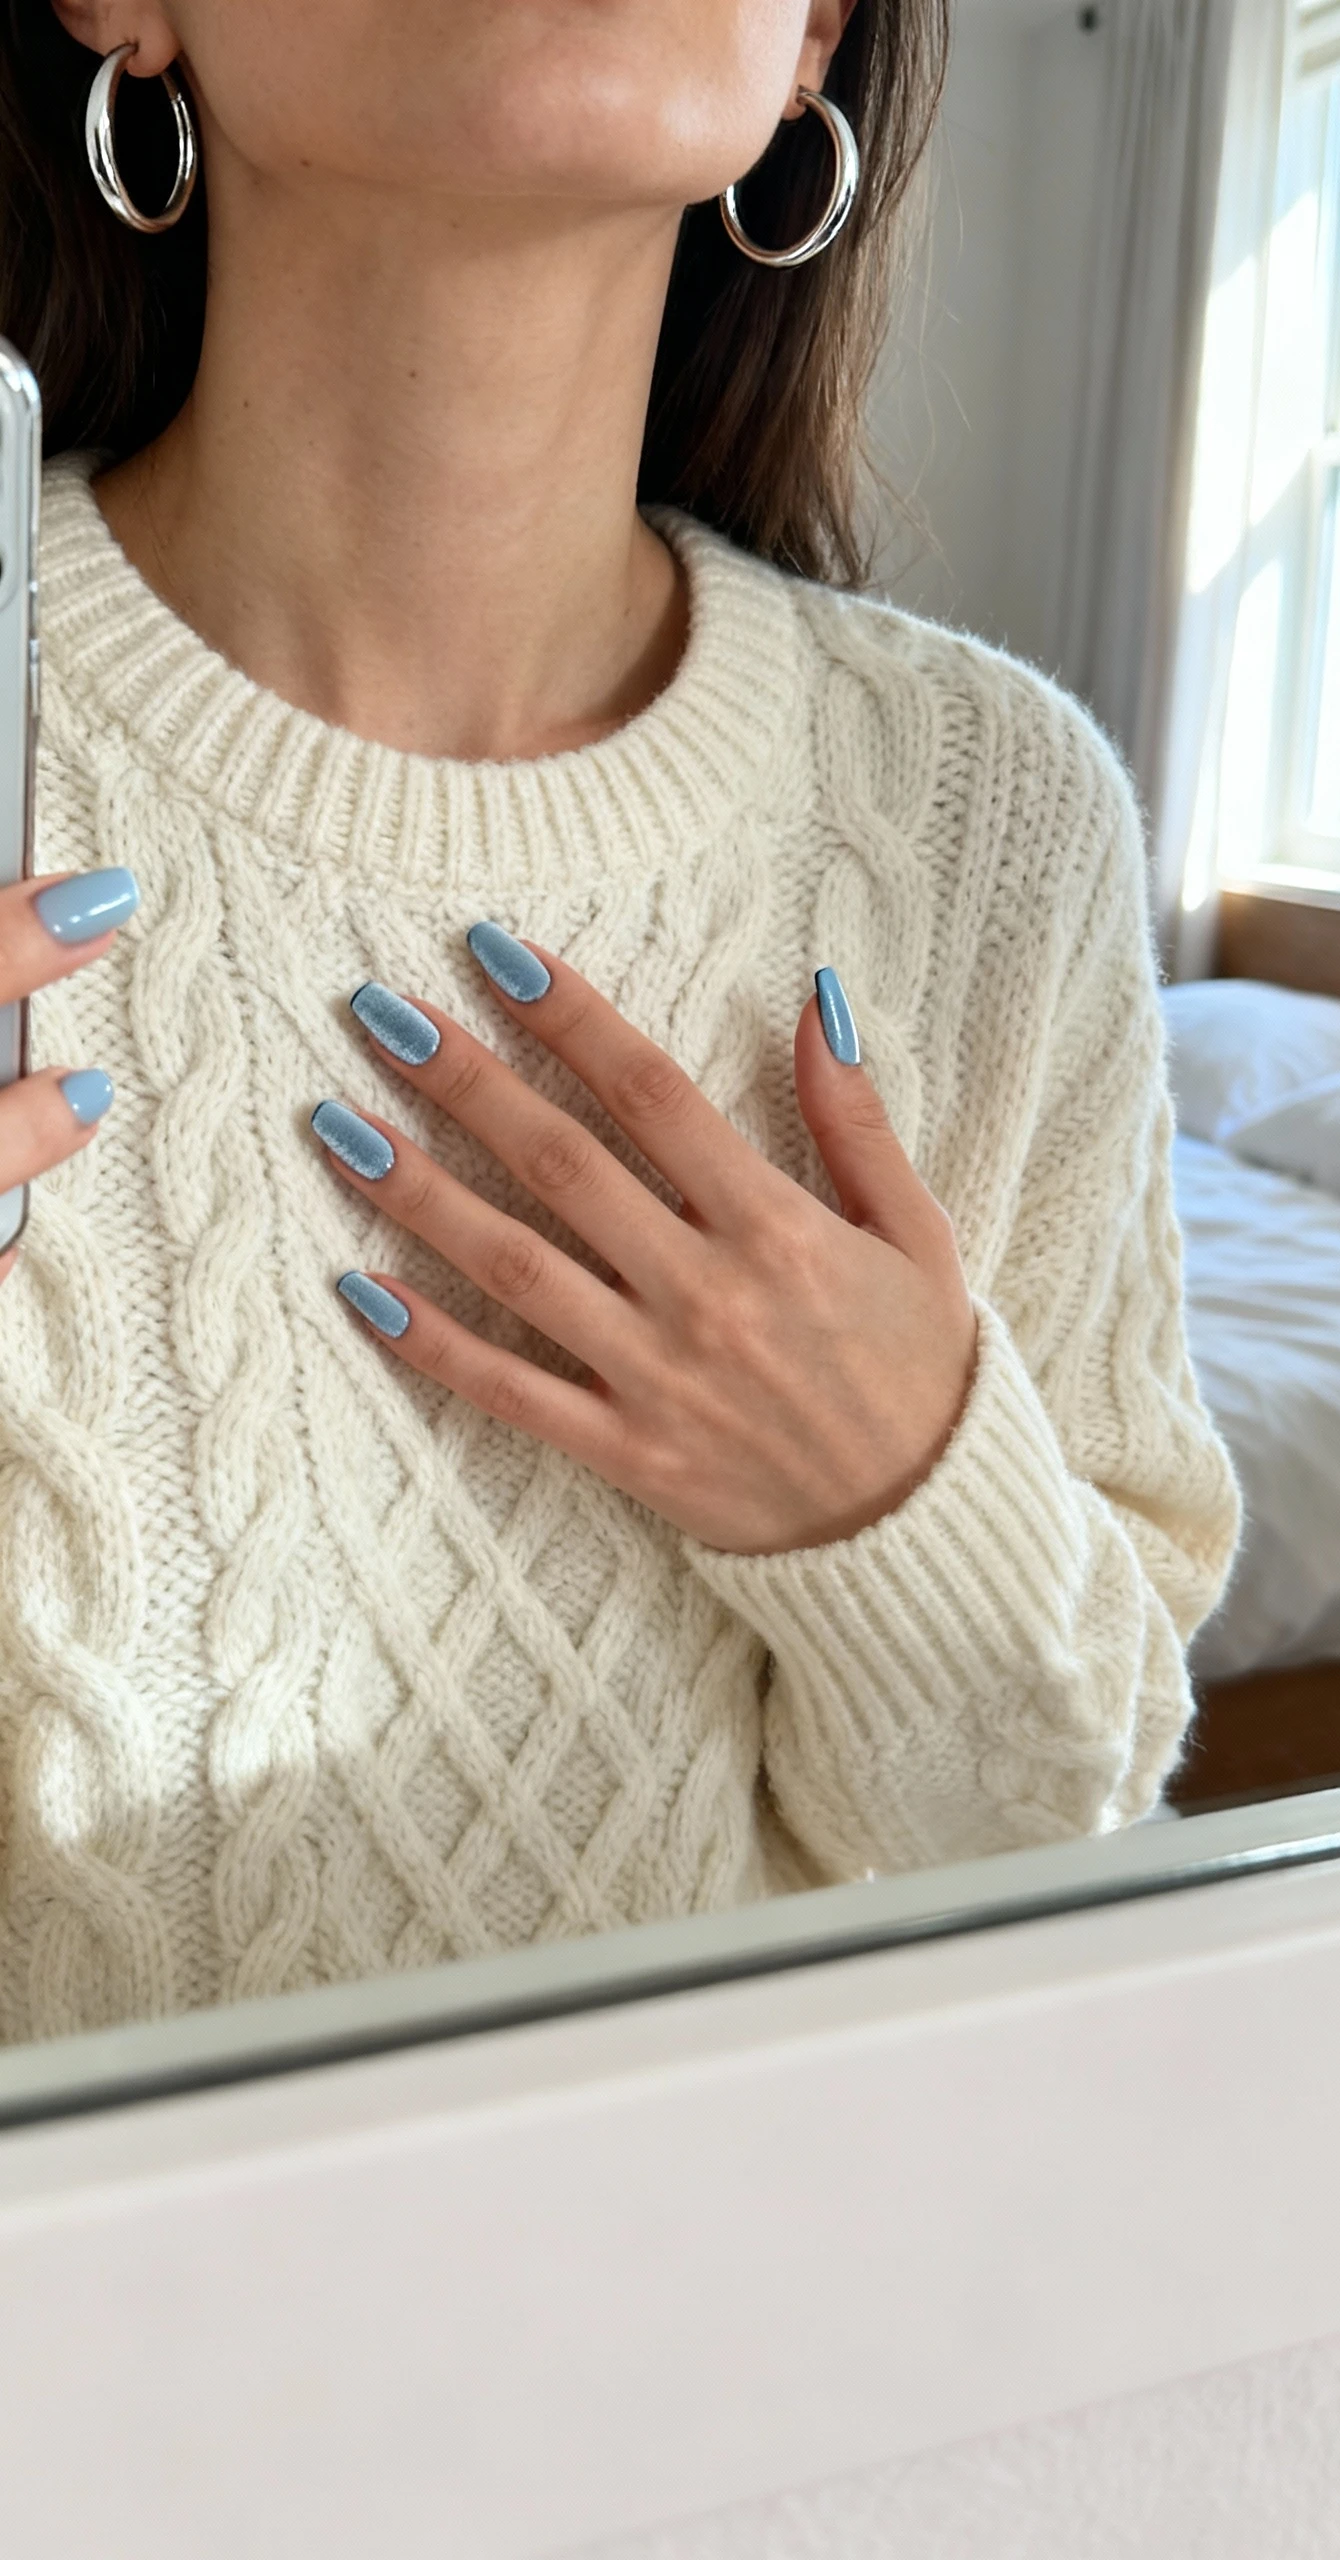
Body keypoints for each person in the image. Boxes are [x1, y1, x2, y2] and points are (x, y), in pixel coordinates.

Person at [0, 0, 1239, 2046]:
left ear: (818, 31)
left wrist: (905, 1506)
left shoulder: (993, 820)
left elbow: (1035, 1901)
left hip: (735, 2330)